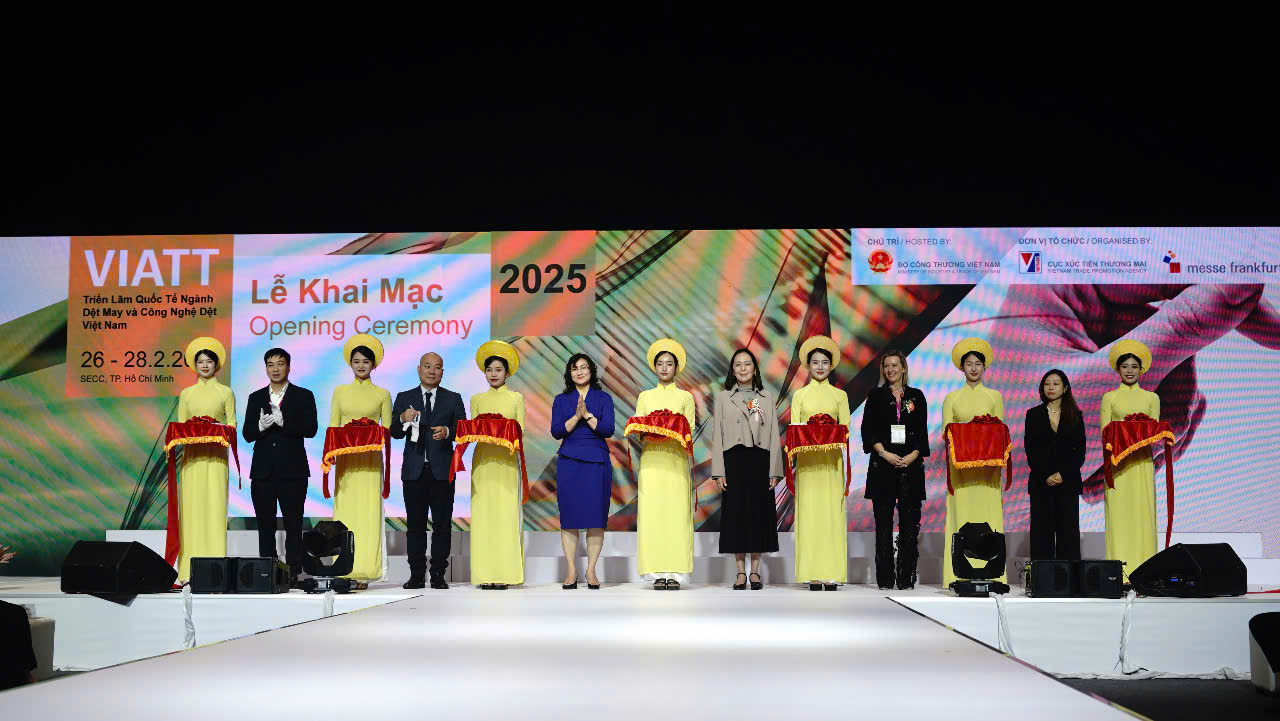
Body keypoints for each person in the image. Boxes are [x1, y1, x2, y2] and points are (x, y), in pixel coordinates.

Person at [390, 352, 467, 590]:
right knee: (415, 526)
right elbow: (394, 432)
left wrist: (448, 431)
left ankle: (438, 575)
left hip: (442, 472)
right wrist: (402, 418)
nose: (432, 371)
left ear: (443, 372)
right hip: (413, 472)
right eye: (427, 366)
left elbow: (463, 430)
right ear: (418, 369)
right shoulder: (404, 397)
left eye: (437, 367)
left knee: (442, 526)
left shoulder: (453, 398)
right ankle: (416, 575)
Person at [242, 347, 318, 586]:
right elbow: (247, 434)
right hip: (263, 472)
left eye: (280, 364)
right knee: (265, 525)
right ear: (265, 368)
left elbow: (311, 429)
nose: (275, 369)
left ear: (289, 366)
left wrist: (285, 423)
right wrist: (260, 427)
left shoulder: (303, 395)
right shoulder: (255, 397)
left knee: (294, 524)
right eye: (270, 364)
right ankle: (267, 571)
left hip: (293, 471)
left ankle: (294, 572)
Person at [710, 348, 782, 590]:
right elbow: (717, 436)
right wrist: (719, 471)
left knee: (758, 515)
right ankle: (740, 571)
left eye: (747, 364)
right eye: (738, 364)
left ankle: (755, 571)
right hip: (734, 461)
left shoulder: (766, 397)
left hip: (759, 461)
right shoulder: (723, 398)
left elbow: (773, 435)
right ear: (732, 370)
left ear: (755, 368)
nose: (742, 368)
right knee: (736, 516)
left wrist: (775, 470)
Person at [860, 349, 929, 590]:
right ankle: (886, 580)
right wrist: (885, 453)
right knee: (883, 526)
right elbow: (868, 430)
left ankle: (906, 578)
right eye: (886, 366)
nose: (890, 370)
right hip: (883, 466)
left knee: (910, 526)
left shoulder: (916, 396)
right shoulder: (875, 396)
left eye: (895, 365)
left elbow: (921, 432)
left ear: (903, 368)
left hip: (911, 466)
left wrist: (912, 456)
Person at [941, 337, 1007, 588]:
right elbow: (947, 433)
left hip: (988, 471)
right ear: (962, 367)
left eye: (978, 363)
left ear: (984, 366)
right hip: (961, 471)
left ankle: (994, 571)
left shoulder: (994, 396)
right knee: (961, 515)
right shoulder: (952, 397)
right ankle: (955, 573)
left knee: (989, 515)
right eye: (969, 364)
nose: (973, 368)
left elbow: (1000, 432)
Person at [328, 333, 393, 587]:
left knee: (369, 514)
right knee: (345, 513)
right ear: (350, 363)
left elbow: (387, 432)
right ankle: (344, 569)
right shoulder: (340, 392)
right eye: (356, 361)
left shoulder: (382, 394)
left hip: (370, 464)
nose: (361, 365)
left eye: (366, 361)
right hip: (346, 464)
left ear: (374, 364)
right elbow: (333, 428)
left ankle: (365, 570)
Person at [790, 335, 851, 591]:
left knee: (831, 515)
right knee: (809, 515)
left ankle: (832, 573)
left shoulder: (840, 395)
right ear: (808, 365)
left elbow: (845, 430)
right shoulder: (799, 395)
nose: (820, 367)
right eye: (815, 362)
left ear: (831, 365)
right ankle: (812, 573)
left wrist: (827, 430)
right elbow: (794, 430)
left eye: (825, 362)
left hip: (831, 464)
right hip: (807, 466)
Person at [550, 353, 615, 590]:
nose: (579, 372)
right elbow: (556, 431)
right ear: (569, 373)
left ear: (591, 370)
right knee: (569, 518)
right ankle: (571, 570)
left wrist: (586, 415)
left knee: (596, 518)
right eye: (574, 368)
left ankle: (591, 570)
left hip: (597, 461)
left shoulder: (604, 398)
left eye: (583, 367)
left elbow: (608, 429)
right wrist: (576, 416)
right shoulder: (561, 399)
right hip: (569, 461)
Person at [635, 338, 696, 590]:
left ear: (676, 367)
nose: (664, 368)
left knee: (676, 515)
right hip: (651, 461)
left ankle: (676, 572)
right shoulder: (645, 396)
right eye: (660, 363)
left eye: (669, 363)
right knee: (652, 515)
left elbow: (689, 429)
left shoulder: (686, 397)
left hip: (676, 461)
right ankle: (657, 572)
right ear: (654, 367)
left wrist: (668, 426)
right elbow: (638, 428)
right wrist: (654, 427)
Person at [175, 337, 236, 584]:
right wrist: (193, 429)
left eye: (209, 361)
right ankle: (187, 571)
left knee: (214, 510)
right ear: (194, 365)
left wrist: (214, 428)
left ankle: (215, 571)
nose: (205, 365)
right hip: (191, 461)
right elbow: (179, 428)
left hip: (216, 460)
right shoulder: (186, 394)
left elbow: (232, 425)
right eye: (200, 361)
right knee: (191, 512)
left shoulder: (226, 392)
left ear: (216, 365)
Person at [1100, 340, 1161, 574]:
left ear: (1141, 369)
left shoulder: (1151, 398)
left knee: (1143, 514)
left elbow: (1155, 432)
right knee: (1118, 517)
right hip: (1118, 465)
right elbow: (1105, 432)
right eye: (1124, 366)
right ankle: (1119, 573)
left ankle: (1146, 572)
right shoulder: (1109, 397)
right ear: (1117, 369)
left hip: (1142, 464)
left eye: (1134, 366)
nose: (1129, 370)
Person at [469, 340, 527, 589]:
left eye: (498, 370)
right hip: (483, 462)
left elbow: (520, 431)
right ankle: (484, 574)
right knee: (483, 517)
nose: (493, 374)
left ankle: (505, 573)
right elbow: (472, 432)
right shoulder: (477, 399)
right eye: (489, 370)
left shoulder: (516, 398)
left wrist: (503, 430)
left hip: (506, 462)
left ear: (507, 373)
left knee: (506, 516)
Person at [1024, 369, 1086, 561]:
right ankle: (1042, 577)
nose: (1051, 387)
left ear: (1065, 387)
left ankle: (1068, 577)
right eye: (1047, 383)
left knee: (1069, 535)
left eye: (1056, 383)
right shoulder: (1033, 414)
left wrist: (1063, 474)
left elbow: (1079, 452)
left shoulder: (1075, 415)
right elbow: (1031, 450)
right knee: (1041, 535)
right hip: (1041, 483)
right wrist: (1046, 475)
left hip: (1068, 483)